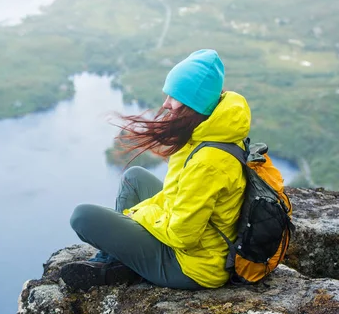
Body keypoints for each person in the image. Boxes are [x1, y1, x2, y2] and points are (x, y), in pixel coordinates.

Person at [60, 49, 251, 291]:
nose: (166, 104)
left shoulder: (208, 162)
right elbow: (177, 197)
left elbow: (184, 235)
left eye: (174, 97)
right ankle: (118, 262)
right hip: (199, 243)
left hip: (193, 266)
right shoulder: (207, 131)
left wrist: (138, 215)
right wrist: (143, 212)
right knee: (134, 177)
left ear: (194, 102)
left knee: (83, 217)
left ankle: (112, 266)